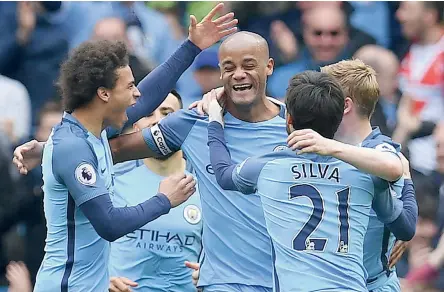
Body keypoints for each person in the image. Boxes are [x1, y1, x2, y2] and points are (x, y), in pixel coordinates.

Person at [13, 31, 405, 292]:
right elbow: (110, 147)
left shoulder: (299, 127)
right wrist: (51, 150)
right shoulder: (193, 119)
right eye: (229, 67)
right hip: (221, 283)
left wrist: (394, 231)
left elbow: (362, 173)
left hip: (284, 283)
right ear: (218, 73)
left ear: (269, 68)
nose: (239, 75)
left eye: (249, 65)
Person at [26, 4, 237, 292]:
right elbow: (109, 224)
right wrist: (164, 200)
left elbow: (149, 96)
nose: (136, 93)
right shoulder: (74, 148)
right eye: (129, 87)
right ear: (103, 94)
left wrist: (192, 46)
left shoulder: (92, 132)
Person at [206, 70, 415, 291]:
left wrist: (214, 120)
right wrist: (407, 181)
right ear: (338, 118)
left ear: (288, 119)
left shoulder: (267, 167)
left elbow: (223, 174)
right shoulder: (365, 172)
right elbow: (406, 227)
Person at [287, 59, 418, 291]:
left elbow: (393, 165)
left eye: (326, 96)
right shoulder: (322, 141)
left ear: (345, 105)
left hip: (372, 284)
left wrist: (331, 147)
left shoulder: (380, 149)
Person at [108, 91, 202, 292]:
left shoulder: (206, 185)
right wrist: (102, 280)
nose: (158, 121)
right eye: (149, 114)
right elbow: (82, 244)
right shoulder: (111, 179)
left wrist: (212, 274)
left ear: (184, 126)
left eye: (167, 113)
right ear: (135, 127)